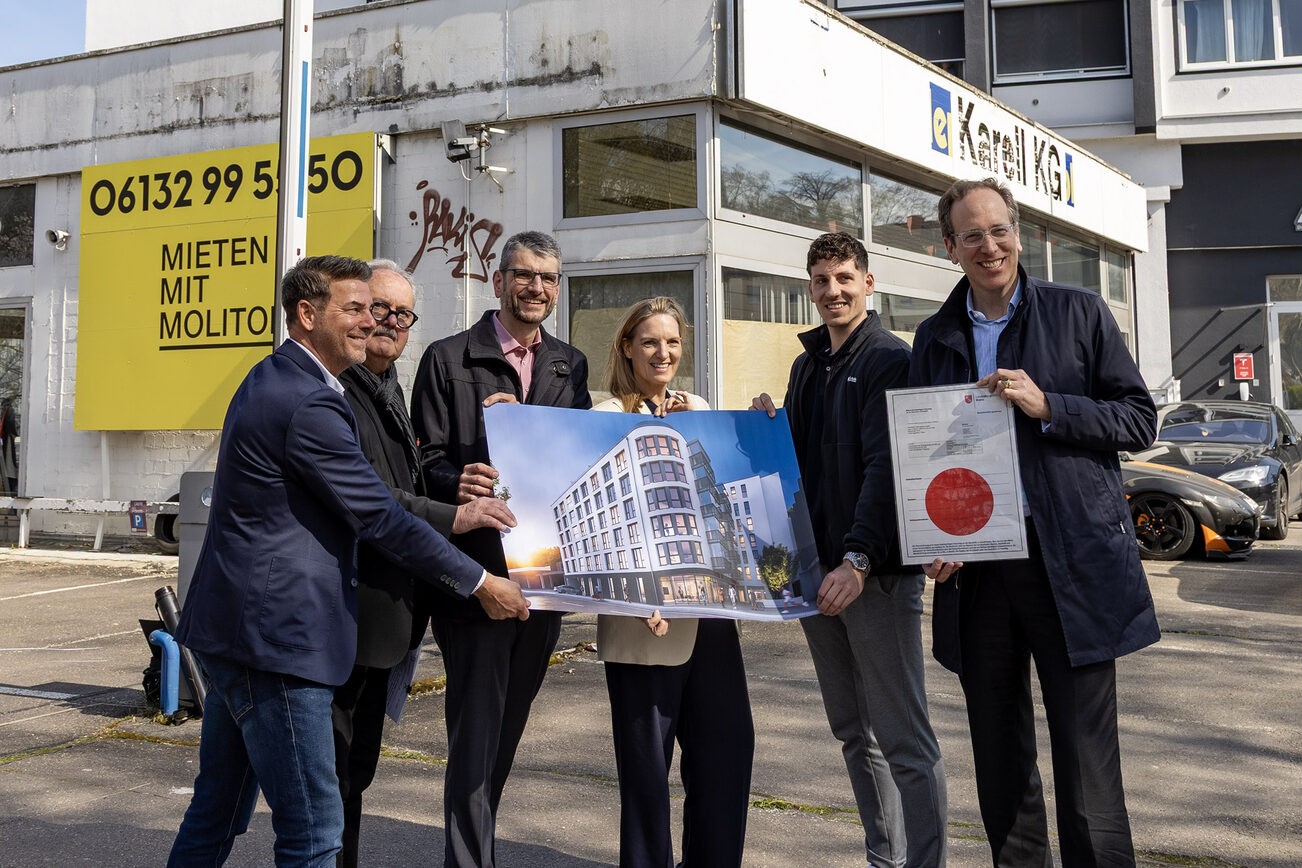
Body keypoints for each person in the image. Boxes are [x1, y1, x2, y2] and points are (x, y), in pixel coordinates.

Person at [167, 255, 530, 867]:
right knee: (313, 834)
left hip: (233, 635)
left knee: (217, 813)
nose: (372, 322)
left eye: (380, 309)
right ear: (307, 315)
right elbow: (379, 517)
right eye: (355, 309)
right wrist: (479, 582)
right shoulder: (308, 403)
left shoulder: (273, 377)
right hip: (279, 646)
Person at [910, 177, 1159, 866]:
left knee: (1088, 771)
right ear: (950, 248)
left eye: (999, 230)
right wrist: (933, 536)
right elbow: (926, 453)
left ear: (1021, 234)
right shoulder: (934, 337)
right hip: (979, 575)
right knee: (1001, 761)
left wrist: (1051, 406)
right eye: (972, 235)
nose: (989, 246)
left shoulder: (1080, 313)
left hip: (1070, 565)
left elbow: (1139, 419)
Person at [752, 232, 948, 867]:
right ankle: (884, 857)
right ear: (809, 288)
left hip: (876, 578)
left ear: (869, 282)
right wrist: (767, 424)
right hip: (816, 577)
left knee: (903, 739)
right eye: (821, 281)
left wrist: (858, 560)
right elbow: (795, 467)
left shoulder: (891, 358)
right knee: (850, 732)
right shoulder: (808, 366)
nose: (832, 291)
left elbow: (886, 469)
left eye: (844, 278)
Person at [409, 231, 591, 868]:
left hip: (544, 581)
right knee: (476, 732)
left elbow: (579, 457)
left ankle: (476, 847)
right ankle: (469, 859)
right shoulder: (448, 357)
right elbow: (420, 464)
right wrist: (454, 478)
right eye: (523, 275)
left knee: (507, 732)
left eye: (547, 277)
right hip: (477, 580)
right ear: (499, 280)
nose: (535, 288)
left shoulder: (570, 364)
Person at [331, 261, 518, 868]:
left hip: (385, 625)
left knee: (350, 778)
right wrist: (463, 533)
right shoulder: (339, 391)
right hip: (345, 622)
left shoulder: (386, 387)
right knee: (328, 788)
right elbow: (384, 507)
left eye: (400, 315)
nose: (386, 323)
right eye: (374, 309)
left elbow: (411, 478)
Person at [592, 296, 754, 868]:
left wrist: (744, 425)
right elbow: (610, 526)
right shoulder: (606, 417)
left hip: (708, 615)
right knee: (647, 775)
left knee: (726, 756)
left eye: (673, 342)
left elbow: (722, 493)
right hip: (646, 623)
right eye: (650, 342)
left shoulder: (697, 407)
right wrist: (634, 595)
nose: (664, 353)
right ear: (627, 349)